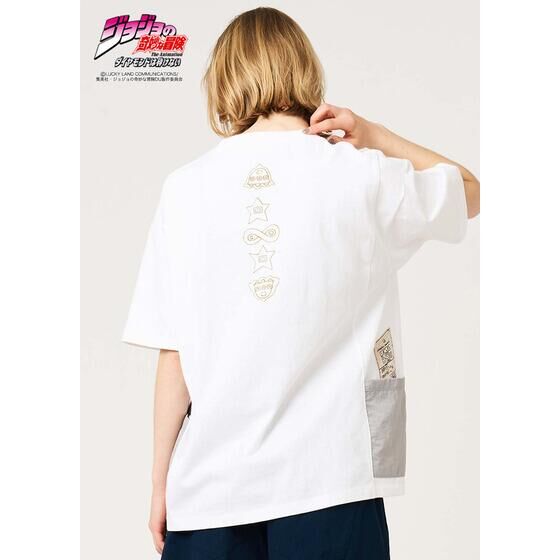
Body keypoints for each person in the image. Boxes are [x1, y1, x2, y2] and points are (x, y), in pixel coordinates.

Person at [122, 7, 479, 559]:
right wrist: (374, 135)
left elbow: (175, 353)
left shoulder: (185, 189)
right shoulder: (360, 174)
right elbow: (470, 192)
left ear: (224, 79)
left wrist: (159, 485)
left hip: (211, 491)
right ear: (304, 71)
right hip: (333, 480)